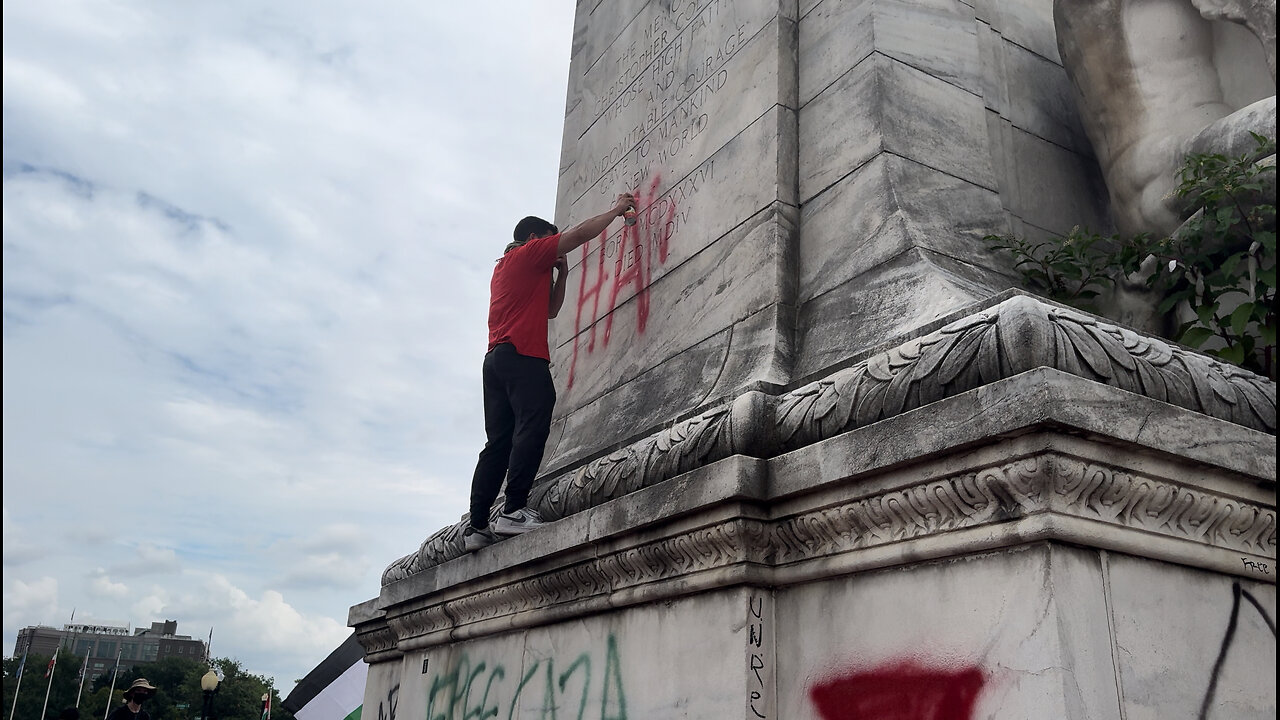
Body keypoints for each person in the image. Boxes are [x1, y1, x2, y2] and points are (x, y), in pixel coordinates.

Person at [463, 191, 636, 552]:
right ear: (532, 239)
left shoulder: (506, 269)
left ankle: (477, 526)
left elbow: (552, 311)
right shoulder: (529, 254)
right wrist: (616, 211)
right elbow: (578, 235)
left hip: (495, 361)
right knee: (535, 420)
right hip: (522, 356)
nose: (555, 250)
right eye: (549, 242)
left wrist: (564, 273)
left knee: (498, 441)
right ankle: (513, 509)